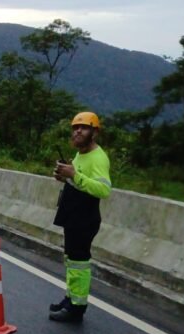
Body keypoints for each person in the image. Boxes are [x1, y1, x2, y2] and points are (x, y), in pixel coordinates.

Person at [49, 112, 112, 322]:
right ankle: (70, 298)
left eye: (84, 128)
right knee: (71, 261)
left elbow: (103, 189)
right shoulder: (81, 154)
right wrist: (64, 177)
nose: (78, 131)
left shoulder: (98, 157)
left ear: (94, 132)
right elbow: (79, 181)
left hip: (85, 218)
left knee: (79, 262)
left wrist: (74, 175)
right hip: (73, 215)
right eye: (75, 127)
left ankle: (77, 308)